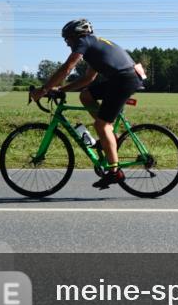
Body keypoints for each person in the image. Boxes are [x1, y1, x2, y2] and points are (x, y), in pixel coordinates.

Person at [31, 19, 146, 189]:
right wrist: (62, 90)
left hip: (124, 79)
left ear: (76, 35)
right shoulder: (93, 46)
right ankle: (110, 137)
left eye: (67, 39)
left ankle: (115, 172)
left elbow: (67, 68)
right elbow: (87, 79)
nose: (67, 43)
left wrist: (44, 90)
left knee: (101, 125)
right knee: (86, 96)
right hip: (126, 77)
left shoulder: (84, 43)